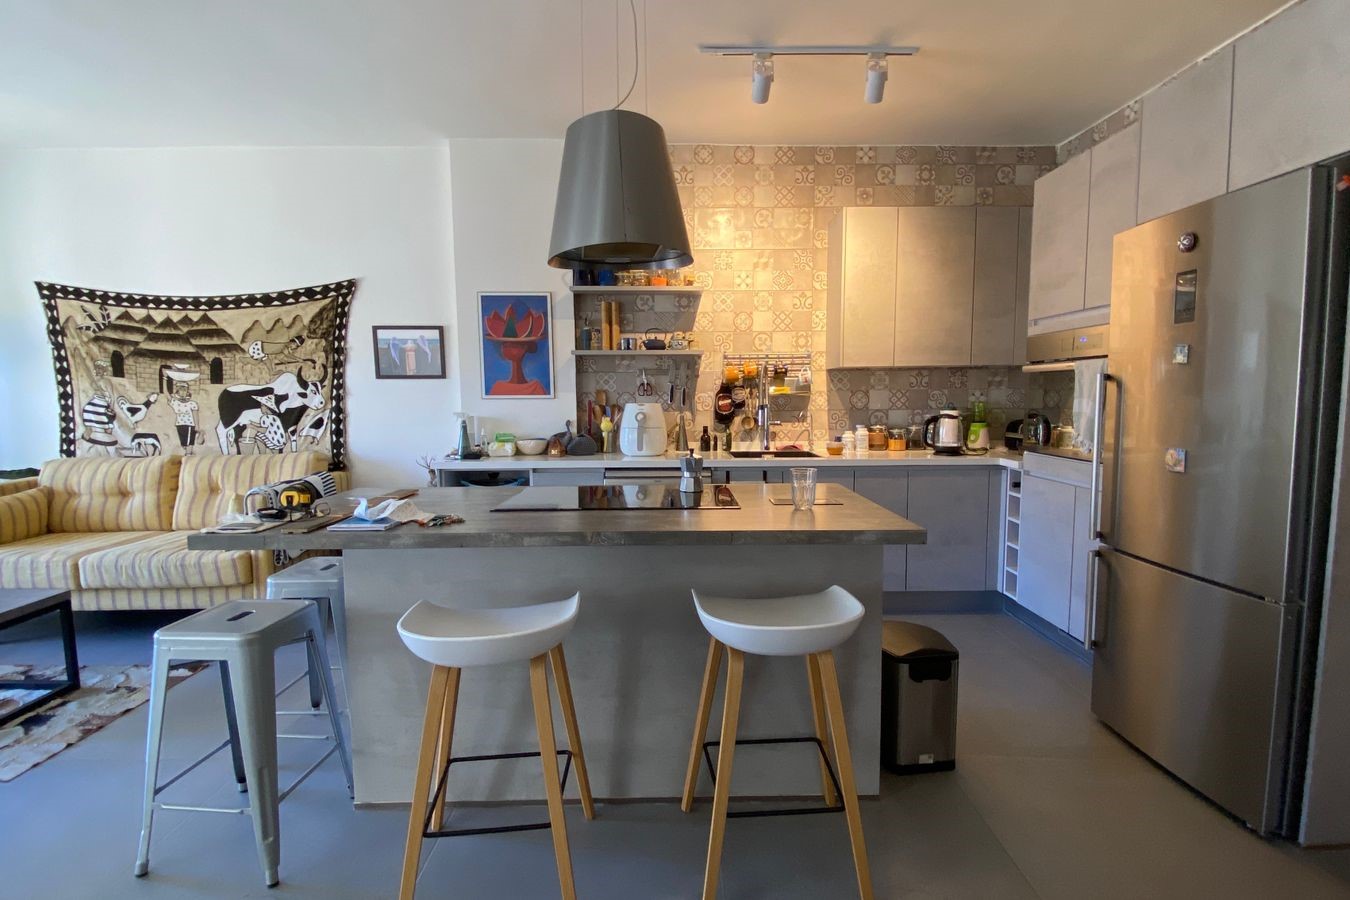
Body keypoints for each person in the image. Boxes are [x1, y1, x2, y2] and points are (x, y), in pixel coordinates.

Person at [170, 383, 199, 455]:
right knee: (184, 444)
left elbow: (195, 414)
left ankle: (188, 456)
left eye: (185, 390)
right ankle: (189, 454)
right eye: (181, 390)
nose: (183, 392)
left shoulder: (192, 403)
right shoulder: (175, 402)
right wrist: (165, 379)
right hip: (179, 425)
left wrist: (197, 426)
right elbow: (166, 394)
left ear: (187, 392)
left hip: (189, 425)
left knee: (189, 444)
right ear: (178, 391)